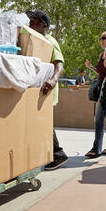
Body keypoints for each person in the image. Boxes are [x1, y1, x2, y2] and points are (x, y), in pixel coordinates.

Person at [24, 10, 68, 170]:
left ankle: (58, 155)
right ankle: (52, 155)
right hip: (34, 88)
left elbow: (59, 63)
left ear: (44, 25)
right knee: (40, 123)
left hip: (46, 89)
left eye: (34, 20)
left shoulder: (50, 41)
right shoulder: (31, 41)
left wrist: (53, 79)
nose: (30, 22)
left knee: (45, 123)